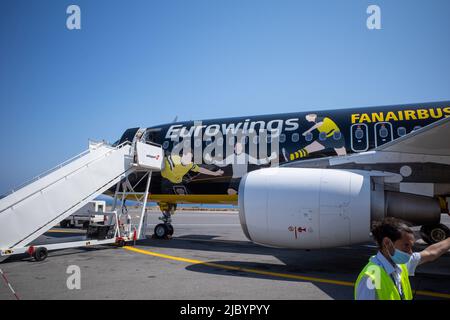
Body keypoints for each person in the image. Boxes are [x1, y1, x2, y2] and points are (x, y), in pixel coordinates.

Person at [355, 217, 450, 300]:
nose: (410, 252)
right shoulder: (372, 277)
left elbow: (430, 253)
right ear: (387, 243)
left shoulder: (400, 264)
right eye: (406, 245)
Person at [204, 140, 277, 195]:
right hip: (234, 179)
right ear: (234, 148)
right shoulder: (232, 157)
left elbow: (258, 162)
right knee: (230, 192)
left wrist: (270, 158)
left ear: (242, 148)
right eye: (237, 147)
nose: (238, 148)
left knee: (245, 194)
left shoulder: (245, 156)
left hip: (243, 179)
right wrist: (211, 160)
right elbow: (222, 164)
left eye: (240, 147)